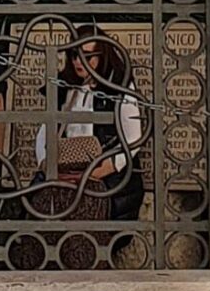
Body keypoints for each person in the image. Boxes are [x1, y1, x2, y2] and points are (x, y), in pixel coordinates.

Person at [33, 27, 146, 223]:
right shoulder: (64, 86)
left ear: (102, 56)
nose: (79, 61)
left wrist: (104, 169)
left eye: (87, 55)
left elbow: (132, 138)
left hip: (107, 182)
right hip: (65, 177)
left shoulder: (119, 86)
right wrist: (46, 165)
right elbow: (46, 130)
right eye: (74, 54)